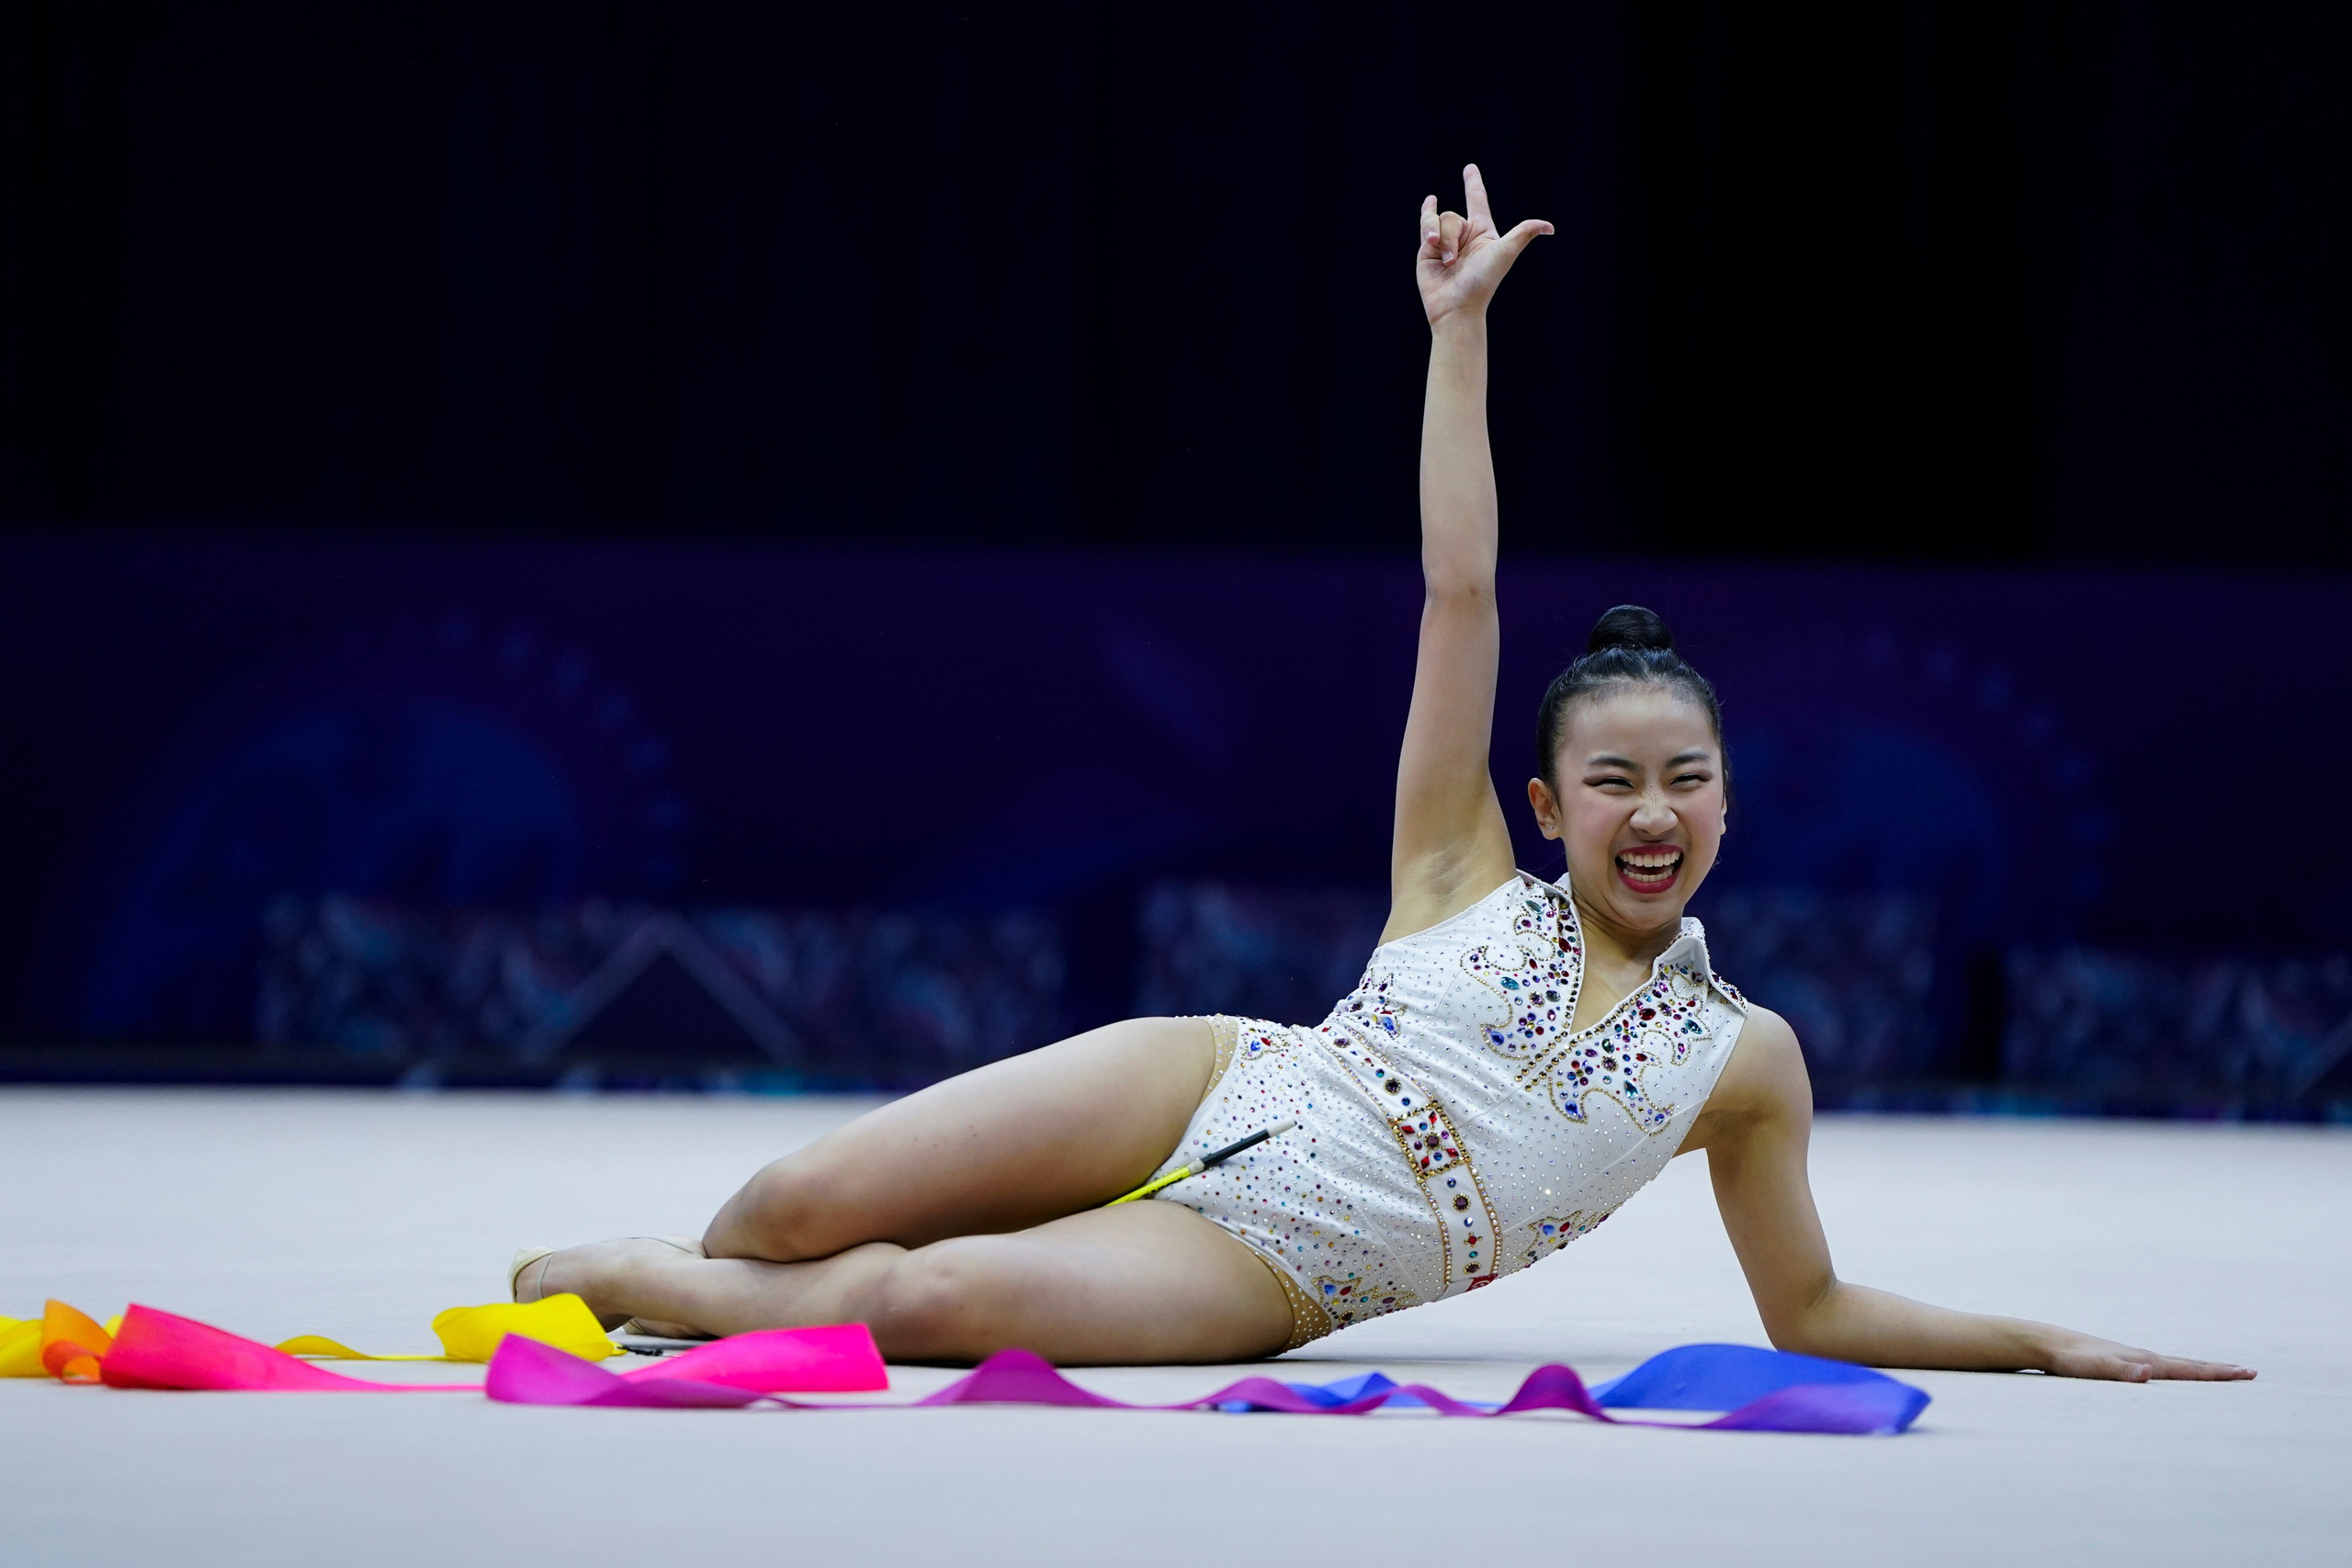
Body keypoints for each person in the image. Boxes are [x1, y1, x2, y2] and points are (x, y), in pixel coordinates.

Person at [514, 166, 2252, 1382]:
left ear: (1728, 802)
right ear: (1550, 806)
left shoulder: (1747, 1063)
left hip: (1302, 1259)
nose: (1656, 812)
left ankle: (666, 1293)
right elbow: (1462, 588)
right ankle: (703, 1272)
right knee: (803, 1204)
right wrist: (1459, 335)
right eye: (1617, 782)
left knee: (933, 1294)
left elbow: (1811, 1312)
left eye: (1690, 780)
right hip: (1213, 1080)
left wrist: (2045, 1338)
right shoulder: (1460, 863)